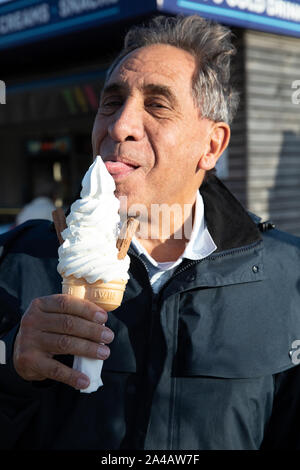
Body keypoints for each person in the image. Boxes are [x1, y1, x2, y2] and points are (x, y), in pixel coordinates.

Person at [0, 14, 300, 450]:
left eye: (157, 104)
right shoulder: (20, 259)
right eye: (111, 102)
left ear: (211, 145)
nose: (119, 125)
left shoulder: (288, 276)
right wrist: (12, 363)